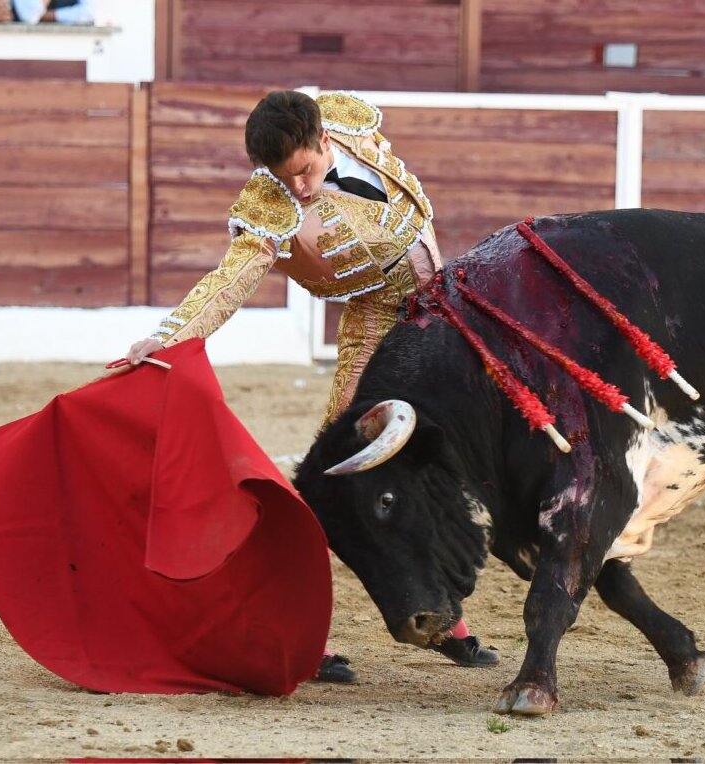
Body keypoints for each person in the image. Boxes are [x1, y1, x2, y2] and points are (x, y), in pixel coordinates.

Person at [124, 90, 499, 684]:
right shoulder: (269, 205)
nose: (297, 188)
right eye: (282, 177)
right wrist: (167, 338)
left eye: (303, 170)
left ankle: (446, 619)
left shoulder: (347, 119)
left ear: (324, 140)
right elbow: (229, 283)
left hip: (447, 317)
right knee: (335, 486)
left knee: (453, 467)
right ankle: (308, 637)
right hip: (379, 336)